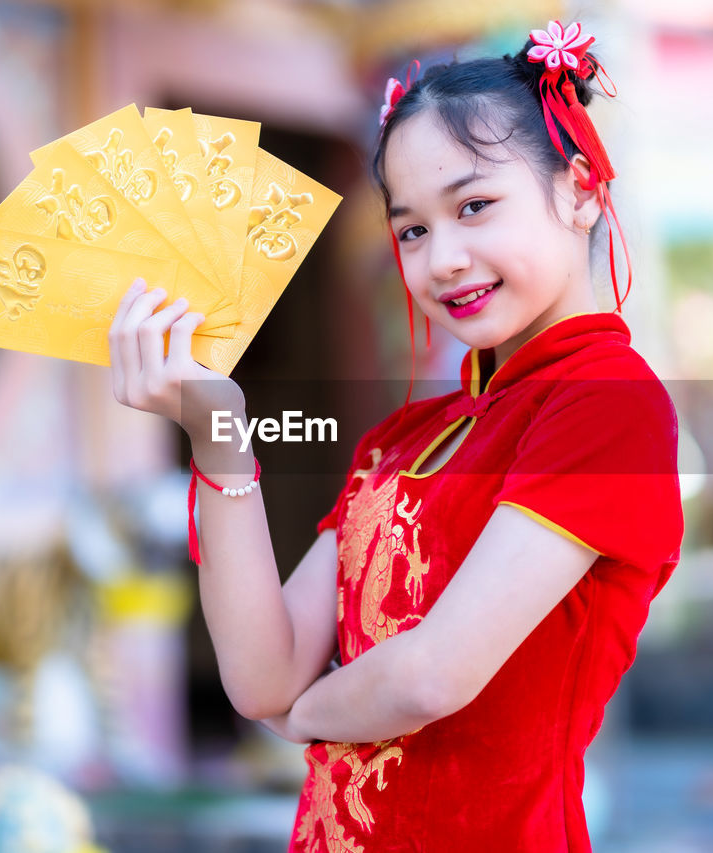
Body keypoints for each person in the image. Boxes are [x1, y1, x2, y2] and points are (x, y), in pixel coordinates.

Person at [108, 20, 683, 852]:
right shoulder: (404, 440)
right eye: (411, 228)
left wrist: (298, 719)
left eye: (475, 206)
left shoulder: (607, 404)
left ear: (584, 189)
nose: (441, 258)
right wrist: (217, 433)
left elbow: (429, 674)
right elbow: (261, 673)